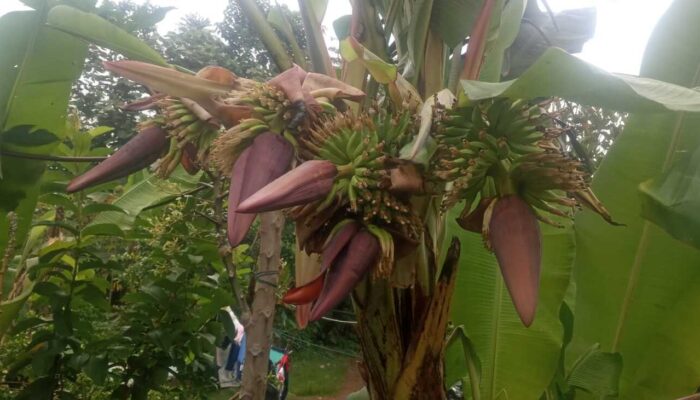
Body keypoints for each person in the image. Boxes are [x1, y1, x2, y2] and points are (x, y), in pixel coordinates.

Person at [216, 306, 245, 388]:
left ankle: (227, 380)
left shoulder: (230, 312)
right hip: (229, 338)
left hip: (234, 339)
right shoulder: (223, 313)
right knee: (224, 361)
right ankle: (224, 381)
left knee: (229, 361)